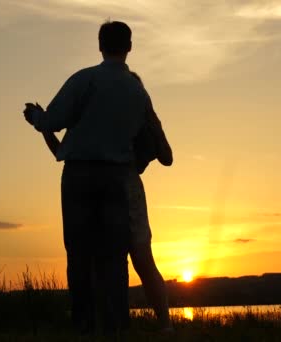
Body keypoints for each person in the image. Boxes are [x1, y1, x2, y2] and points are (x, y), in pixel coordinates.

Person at [23, 21, 147, 334]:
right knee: (116, 255)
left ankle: (84, 325)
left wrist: (35, 117)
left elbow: (52, 120)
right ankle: (117, 324)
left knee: (79, 253)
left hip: (79, 175)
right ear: (129, 46)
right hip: (116, 176)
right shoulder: (137, 89)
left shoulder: (85, 79)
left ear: (100, 45)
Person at [39, 71, 174, 332]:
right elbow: (166, 156)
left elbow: (62, 152)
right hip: (127, 186)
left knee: (118, 259)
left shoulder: (108, 119)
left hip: (123, 189)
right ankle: (160, 326)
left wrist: (44, 126)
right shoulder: (136, 114)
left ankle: (138, 325)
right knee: (135, 260)